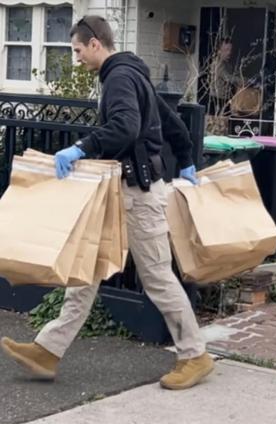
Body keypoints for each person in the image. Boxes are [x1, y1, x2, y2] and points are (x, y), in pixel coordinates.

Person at [0, 16, 214, 390]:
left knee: (158, 276)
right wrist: (187, 156)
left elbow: (126, 127)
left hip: (139, 194)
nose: (77, 58)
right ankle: (48, 350)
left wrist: (81, 147)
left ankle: (195, 354)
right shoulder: (133, 74)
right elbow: (171, 121)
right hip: (123, 191)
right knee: (86, 270)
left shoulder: (118, 77)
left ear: (95, 43)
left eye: (78, 50)